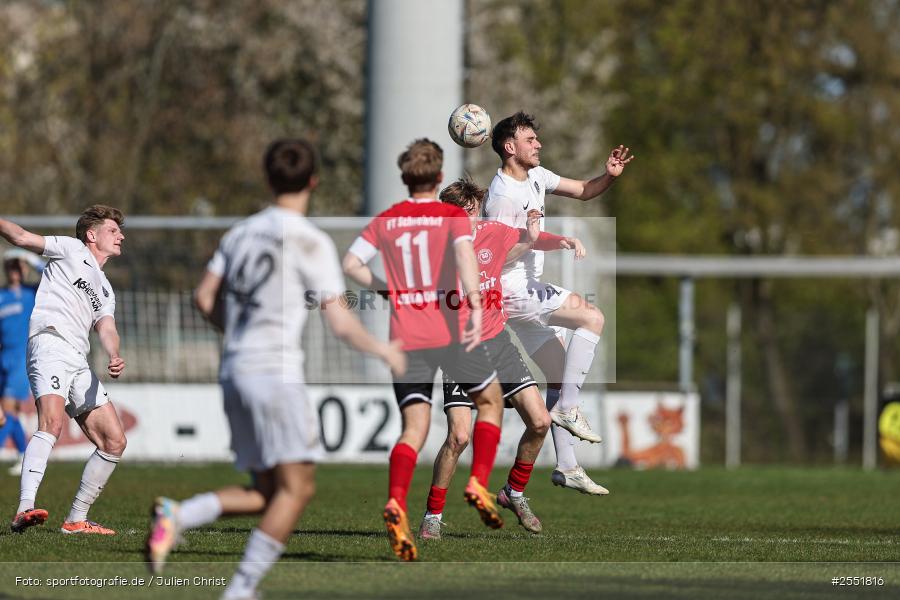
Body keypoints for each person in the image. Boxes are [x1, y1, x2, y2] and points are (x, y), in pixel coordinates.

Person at [146, 139, 406, 600]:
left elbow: (203, 298)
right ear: (313, 180)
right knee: (299, 489)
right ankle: (240, 589)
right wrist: (383, 350)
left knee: (268, 491)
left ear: (268, 179)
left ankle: (178, 514)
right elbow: (342, 322)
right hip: (275, 372)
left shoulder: (241, 232)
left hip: (234, 369)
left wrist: (236, 333)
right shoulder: (310, 240)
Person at [343, 139, 506, 562]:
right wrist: (473, 305)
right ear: (438, 178)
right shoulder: (451, 216)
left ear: (403, 178)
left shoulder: (388, 220)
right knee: (490, 402)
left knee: (413, 430)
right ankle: (479, 483)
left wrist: (385, 288)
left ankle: (397, 502)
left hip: (406, 338)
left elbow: (350, 265)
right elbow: (466, 259)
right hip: (448, 334)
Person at [419, 177, 587, 539]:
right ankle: (432, 515)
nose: (470, 218)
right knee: (459, 437)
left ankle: (514, 491)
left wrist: (559, 240)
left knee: (540, 421)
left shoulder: (492, 231)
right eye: (461, 213)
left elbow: (525, 242)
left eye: (473, 210)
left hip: (497, 341)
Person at [484, 111, 633, 495]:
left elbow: (584, 189)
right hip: (514, 290)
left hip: (526, 289)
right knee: (593, 317)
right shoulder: (502, 196)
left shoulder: (536, 176)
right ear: (509, 147)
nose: (538, 144)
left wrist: (609, 177)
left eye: (537, 139)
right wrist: (541, 239)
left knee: (558, 371)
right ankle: (568, 409)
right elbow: (495, 258)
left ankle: (567, 467)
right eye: (530, 140)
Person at [0, 205, 127, 534]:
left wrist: (113, 353)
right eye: (114, 231)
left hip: (78, 358)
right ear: (92, 235)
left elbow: (107, 328)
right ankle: (24, 507)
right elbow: (21, 237)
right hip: (50, 342)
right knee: (52, 423)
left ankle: (76, 519)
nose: (121, 236)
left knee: (114, 441)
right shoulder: (71, 250)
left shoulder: (106, 288)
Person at [0, 251, 45, 476]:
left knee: (7, 407)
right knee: (10, 412)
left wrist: (30, 257)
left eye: (19, 266)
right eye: (11, 266)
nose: (16, 270)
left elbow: (49, 275)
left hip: (21, 355)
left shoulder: (31, 293)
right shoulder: (1, 296)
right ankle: (23, 455)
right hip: (3, 356)